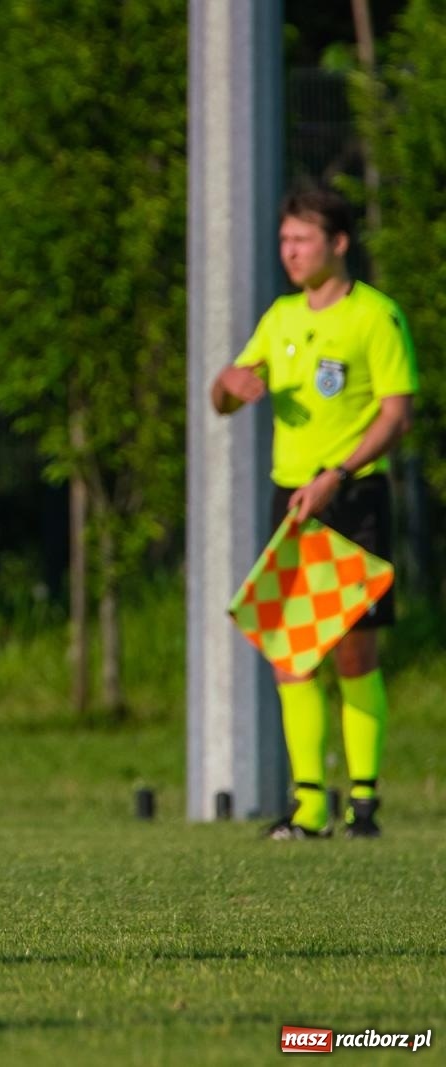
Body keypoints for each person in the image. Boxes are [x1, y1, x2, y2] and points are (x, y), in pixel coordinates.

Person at [211, 184, 417, 840]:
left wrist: (340, 472)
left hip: (353, 498)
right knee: (290, 654)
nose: (290, 252)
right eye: (284, 240)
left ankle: (364, 804)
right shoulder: (279, 318)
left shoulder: (374, 317)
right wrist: (227, 387)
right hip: (294, 502)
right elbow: (225, 395)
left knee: (353, 653)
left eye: (302, 240)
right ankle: (308, 807)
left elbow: (396, 414)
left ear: (338, 242)